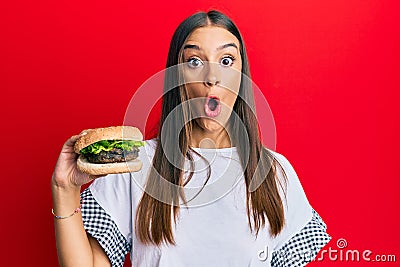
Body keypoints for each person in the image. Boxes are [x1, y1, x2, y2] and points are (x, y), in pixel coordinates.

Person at [51, 10, 331, 267]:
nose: (212, 76)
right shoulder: (136, 165)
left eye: (226, 61)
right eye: (194, 61)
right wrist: (63, 188)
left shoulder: (273, 172)